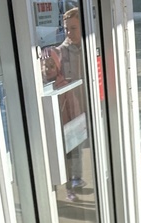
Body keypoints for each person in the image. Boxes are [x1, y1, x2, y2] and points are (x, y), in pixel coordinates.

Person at [54, 6, 87, 199]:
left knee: (80, 145)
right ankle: (69, 188)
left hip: (86, 104)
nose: (68, 33)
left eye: (73, 28)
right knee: (69, 147)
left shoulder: (88, 48)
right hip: (69, 107)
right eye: (66, 28)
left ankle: (77, 177)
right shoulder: (59, 52)